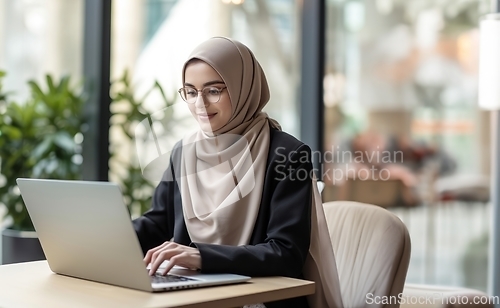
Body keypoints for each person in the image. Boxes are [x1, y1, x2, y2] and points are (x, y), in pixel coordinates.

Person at [133, 37, 341, 308]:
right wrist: (105, 238)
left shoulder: (287, 154)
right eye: (191, 92)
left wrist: (201, 256)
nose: (200, 104)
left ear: (243, 88)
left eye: (214, 90)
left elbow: (286, 253)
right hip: (195, 294)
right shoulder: (184, 152)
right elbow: (157, 223)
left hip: (262, 300)